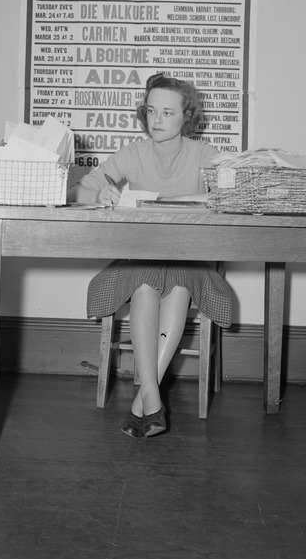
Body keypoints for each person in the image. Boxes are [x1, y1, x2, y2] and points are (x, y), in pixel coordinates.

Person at [69, 73, 234, 438]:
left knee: (176, 288)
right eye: (151, 111)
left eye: (168, 113)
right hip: (139, 256)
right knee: (144, 285)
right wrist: (100, 196)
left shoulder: (206, 155)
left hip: (189, 258)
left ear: (186, 117)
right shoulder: (132, 154)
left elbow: (233, 191)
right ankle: (153, 402)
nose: (157, 120)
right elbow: (82, 189)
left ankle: (144, 402)